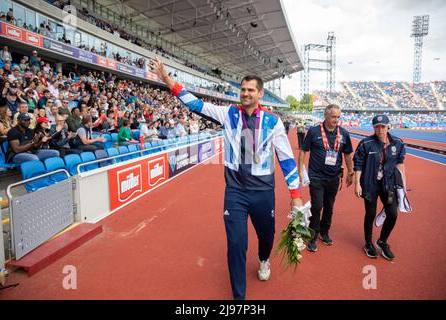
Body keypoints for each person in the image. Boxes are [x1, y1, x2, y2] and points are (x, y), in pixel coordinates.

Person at [149, 57, 303, 300]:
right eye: (242, 89)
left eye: (250, 90)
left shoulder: (273, 122)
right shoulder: (227, 113)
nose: (245, 93)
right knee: (236, 244)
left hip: (263, 193)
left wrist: (296, 196)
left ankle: (264, 259)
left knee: (267, 236)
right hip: (236, 192)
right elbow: (195, 105)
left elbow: (286, 160)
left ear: (260, 94)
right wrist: (166, 79)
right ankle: (238, 298)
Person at [298, 104, 354, 252]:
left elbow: (347, 154)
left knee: (329, 206)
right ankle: (313, 235)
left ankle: (324, 232)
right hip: (316, 176)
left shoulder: (344, 134)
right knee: (317, 206)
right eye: (333, 117)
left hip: (334, 177)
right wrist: (300, 170)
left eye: (338, 117)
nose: (336, 120)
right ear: (325, 115)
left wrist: (350, 172)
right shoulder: (314, 131)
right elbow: (303, 151)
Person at [353, 115, 406, 261]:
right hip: (370, 184)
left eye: (383, 126)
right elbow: (358, 164)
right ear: (373, 128)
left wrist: (403, 188)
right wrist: (357, 183)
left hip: (388, 184)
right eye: (377, 127)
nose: (380, 129)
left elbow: (400, 166)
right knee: (370, 213)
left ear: (388, 126)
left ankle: (382, 241)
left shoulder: (397, 144)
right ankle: (368, 243)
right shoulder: (366, 143)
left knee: (392, 213)